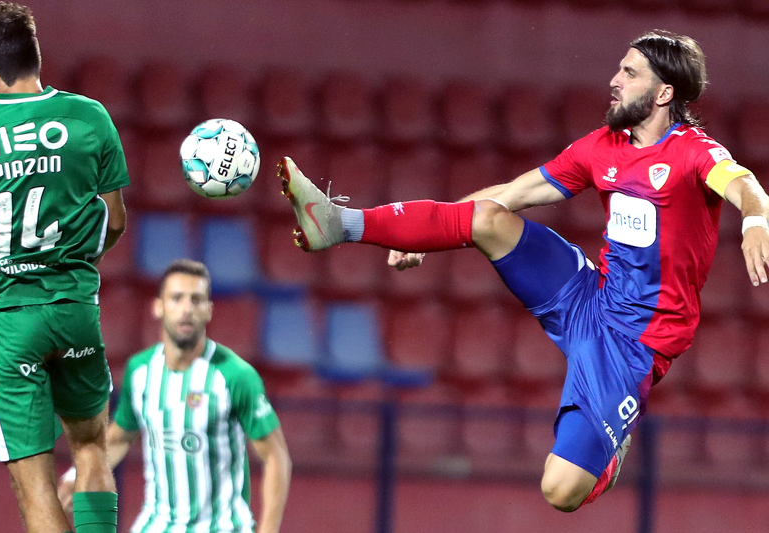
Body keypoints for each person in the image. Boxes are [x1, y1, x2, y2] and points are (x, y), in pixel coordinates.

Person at [277, 30, 769, 512]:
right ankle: (339, 223)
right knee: (491, 218)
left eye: (629, 72)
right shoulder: (602, 147)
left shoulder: (692, 151)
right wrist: (428, 235)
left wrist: (754, 219)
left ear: (664, 93)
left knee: (559, 491)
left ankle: (607, 457)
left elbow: (743, 183)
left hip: (634, 343)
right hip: (589, 294)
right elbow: (512, 194)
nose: (614, 80)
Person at [0, 2, 128, 532]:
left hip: (4, 319)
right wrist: (66, 270)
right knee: (90, 447)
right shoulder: (90, 117)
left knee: (33, 481)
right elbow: (116, 221)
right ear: (36, 55)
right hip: (74, 310)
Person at [58, 259, 293, 533]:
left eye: (196, 300)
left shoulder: (235, 376)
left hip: (223, 527)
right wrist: (77, 476)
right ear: (159, 306)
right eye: (177, 298)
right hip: (157, 525)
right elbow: (120, 437)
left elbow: (277, 457)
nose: (186, 309)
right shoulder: (140, 371)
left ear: (209, 310)